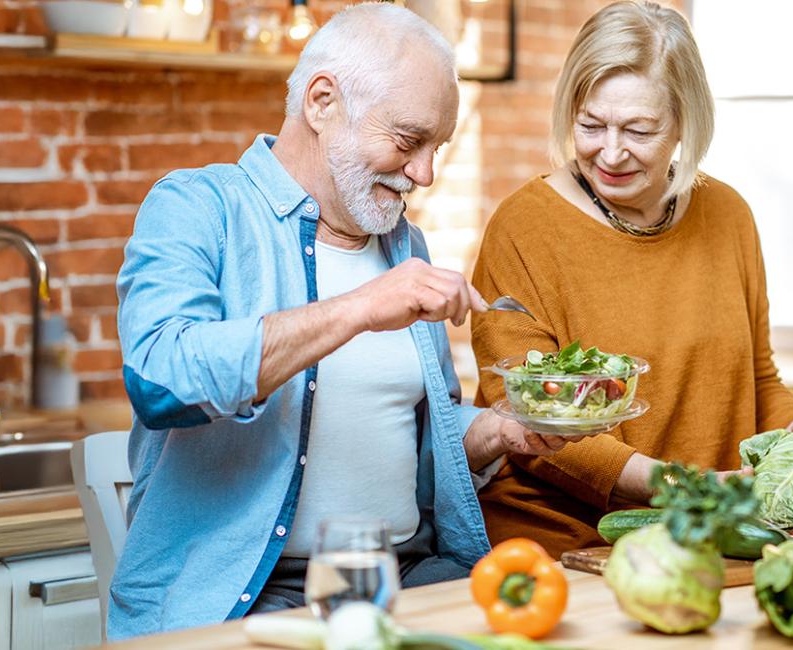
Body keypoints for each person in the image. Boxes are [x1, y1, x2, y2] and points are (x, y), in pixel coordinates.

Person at [110, 3, 569, 639]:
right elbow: (161, 380)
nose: (425, 174)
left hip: (410, 575)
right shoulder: (196, 207)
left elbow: (400, 439)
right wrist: (358, 309)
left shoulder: (404, 247)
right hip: (252, 593)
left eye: (437, 148)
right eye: (409, 142)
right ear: (322, 102)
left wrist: (497, 431)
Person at [469, 0, 793, 558]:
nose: (610, 152)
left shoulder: (728, 215)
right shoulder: (524, 228)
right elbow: (527, 420)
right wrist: (685, 488)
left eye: (639, 129)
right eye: (590, 125)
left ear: (685, 122)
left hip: (711, 536)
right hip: (567, 546)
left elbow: (759, 377)